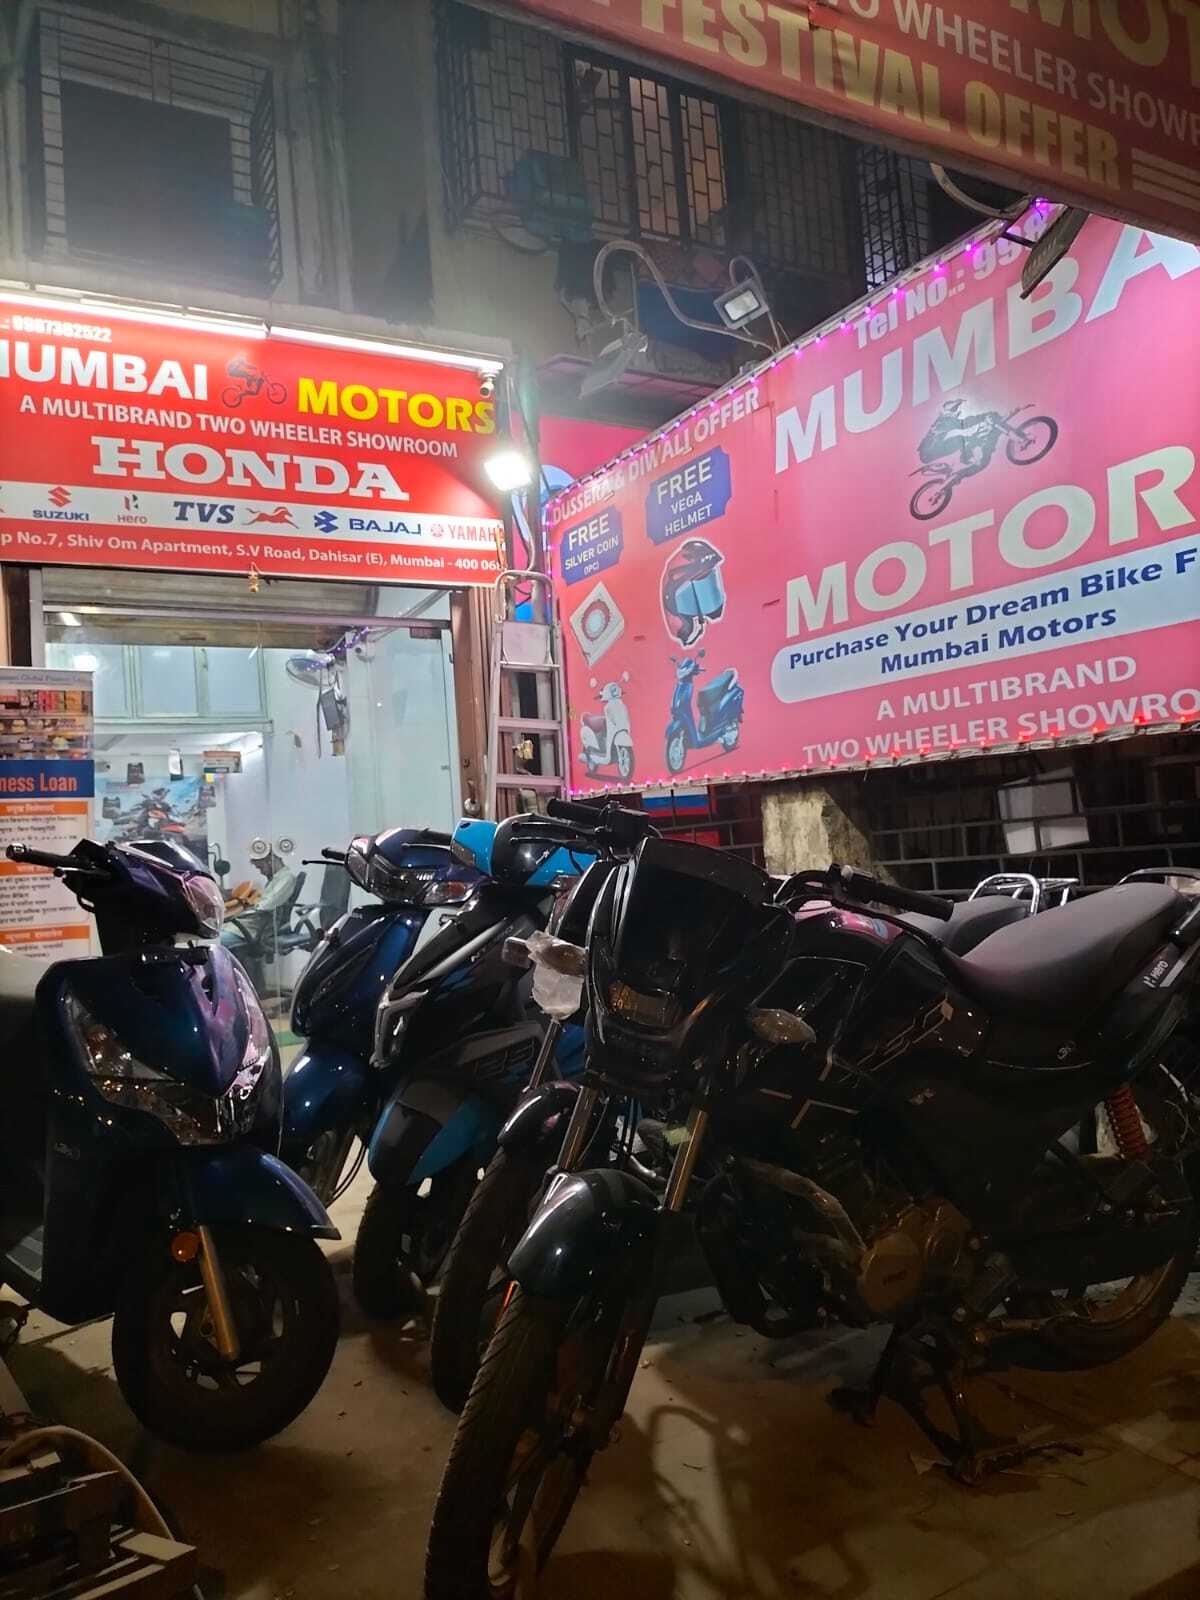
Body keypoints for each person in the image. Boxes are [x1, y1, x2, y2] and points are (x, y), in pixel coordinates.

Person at [918, 398, 1003, 477]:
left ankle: (956, 465)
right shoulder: (942, 422)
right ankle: (961, 461)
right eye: (954, 409)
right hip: (927, 453)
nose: (957, 412)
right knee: (961, 437)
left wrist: (985, 416)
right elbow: (950, 433)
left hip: (934, 451)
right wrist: (967, 432)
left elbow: (968, 422)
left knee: (965, 437)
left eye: (956, 409)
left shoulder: (952, 421)